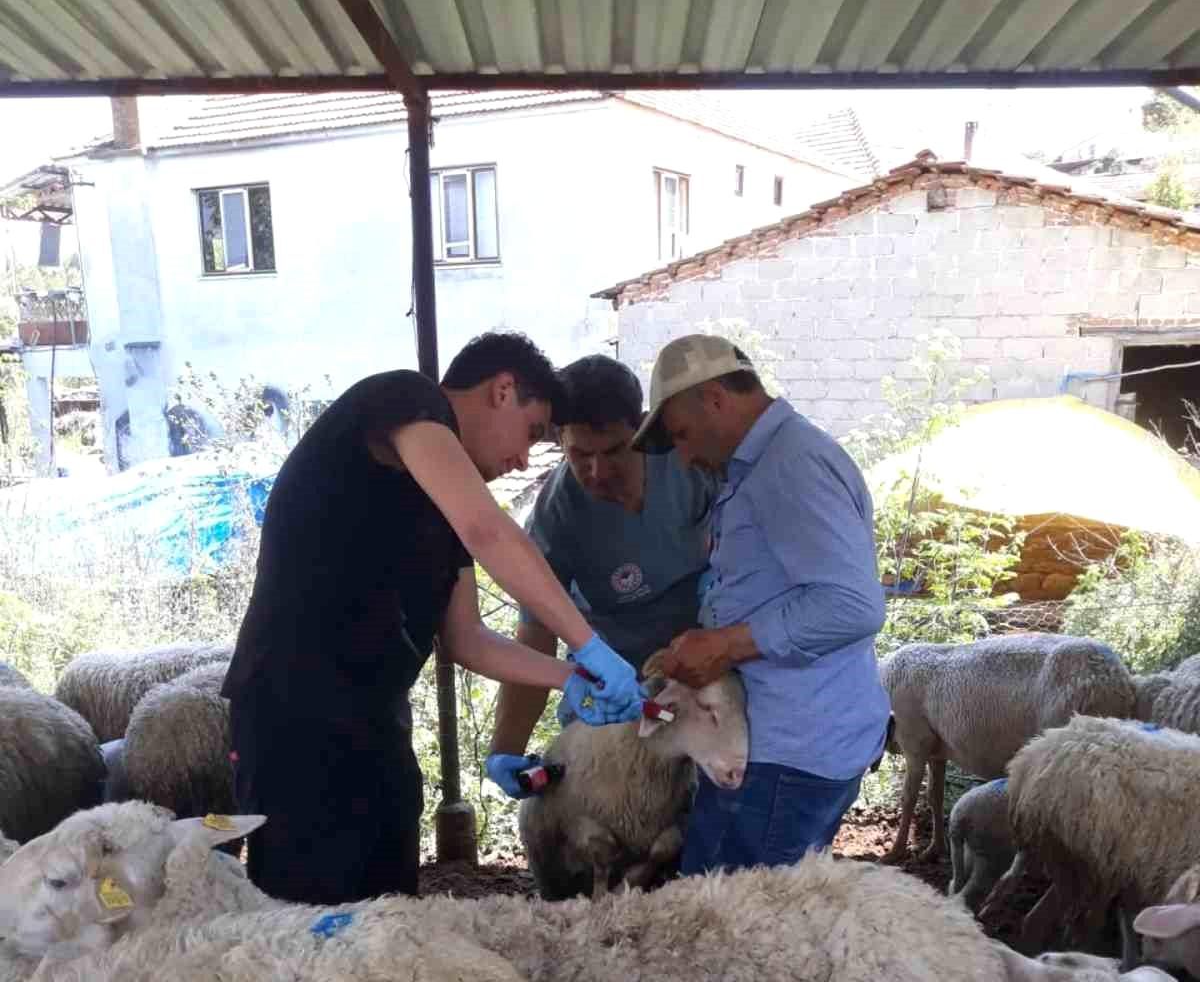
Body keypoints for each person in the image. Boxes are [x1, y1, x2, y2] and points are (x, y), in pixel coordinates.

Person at [221, 333, 644, 905]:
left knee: (389, 906)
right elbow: (489, 529)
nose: (523, 459)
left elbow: (468, 640)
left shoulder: (443, 508)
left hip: (374, 721)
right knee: (307, 909)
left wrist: (569, 675)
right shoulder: (403, 399)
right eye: (532, 433)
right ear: (502, 390)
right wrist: (588, 642)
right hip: (295, 715)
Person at [632, 332, 890, 874]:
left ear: (716, 400)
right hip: (782, 745)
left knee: (731, 936)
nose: (683, 455)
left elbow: (851, 604)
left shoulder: (790, 466)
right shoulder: (767, 463)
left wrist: (725, 645)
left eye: (680, 435)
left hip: (784, 758)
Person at [486, 354, 716, 796]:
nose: (597, 471)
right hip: (616, 699)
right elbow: (535, 634)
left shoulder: (691, 467)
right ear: (559, 441)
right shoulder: (557, 515)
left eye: (615, 451)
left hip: (704, 671)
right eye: (580, 455)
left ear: (645, 429)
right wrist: (506, 748)